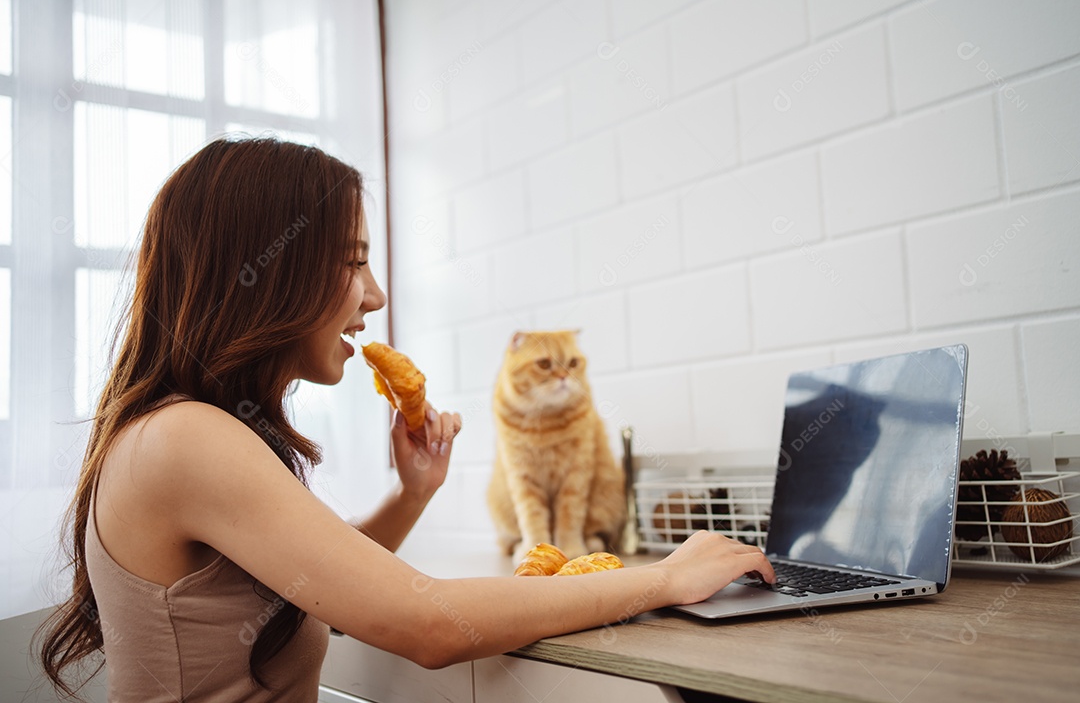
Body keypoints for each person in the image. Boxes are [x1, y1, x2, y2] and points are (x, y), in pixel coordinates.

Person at [37, 137, 775, 701]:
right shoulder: (185, 439)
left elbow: (311, 582)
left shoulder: (177, 431)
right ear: (264, 272)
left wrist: (412, 492)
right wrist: (668, 577)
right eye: (353, 262)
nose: (376, 295)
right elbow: (428, 625)